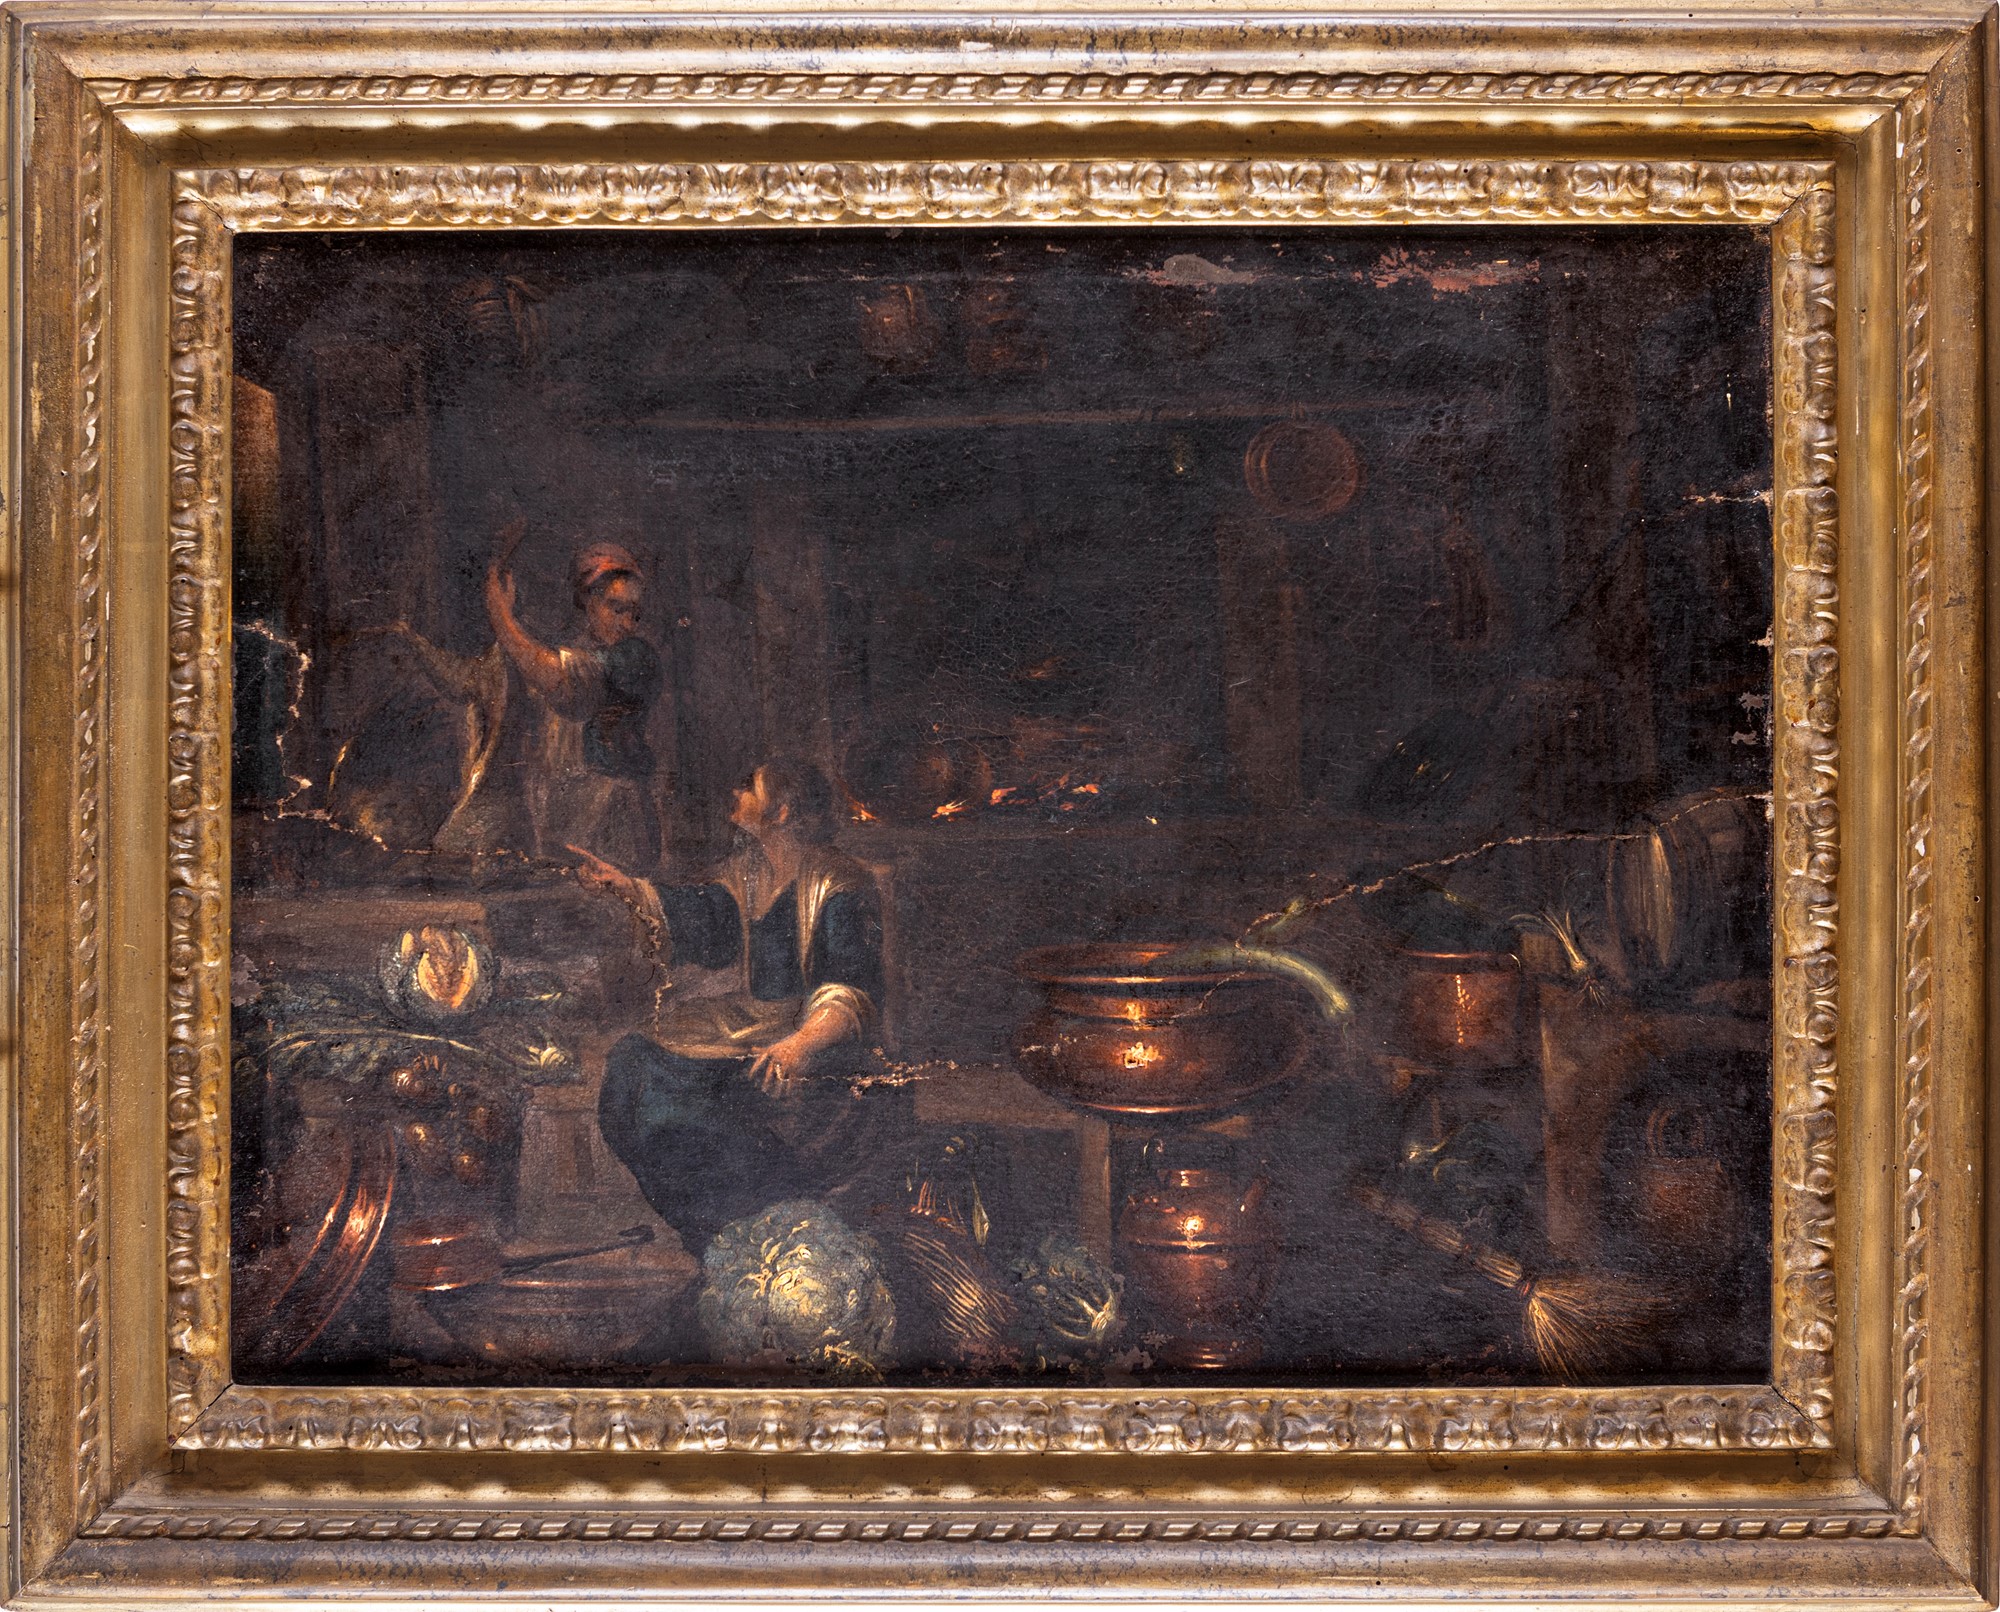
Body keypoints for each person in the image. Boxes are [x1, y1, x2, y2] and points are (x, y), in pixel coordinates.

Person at [583, 758, 897, 1250]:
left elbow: (854, 988)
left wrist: (800, 1044)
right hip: (751, 1025)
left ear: (782, 811)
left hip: (817, 1037)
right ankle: (706, 1230)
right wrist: (627, 888)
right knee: (630, 1064)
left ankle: (734, 1231)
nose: (736, 793)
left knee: (671, 1108)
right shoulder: (749, 873)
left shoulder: (838, 884)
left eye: (750, 787)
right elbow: (704, 920)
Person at [388, 531, 663, 868]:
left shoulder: (635, 658)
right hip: (561, 818)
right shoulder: (561, 652)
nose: (626, 623)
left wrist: (500, 616)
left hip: (615, 814)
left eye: (634, 614)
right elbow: (468, 681)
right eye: (616, 608)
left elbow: (560, 679)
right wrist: (409, 638)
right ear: (588, 601)